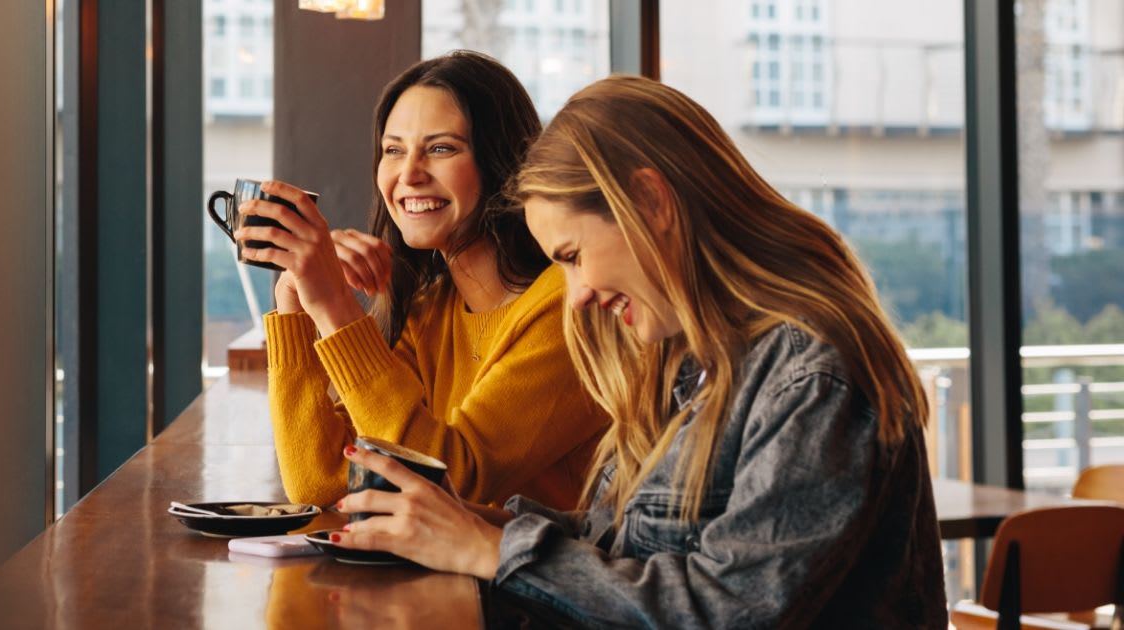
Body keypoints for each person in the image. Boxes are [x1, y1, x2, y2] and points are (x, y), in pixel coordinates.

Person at [327, 75, 948, 628]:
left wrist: (486, 548)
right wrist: (455, 525)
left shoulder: (813, 373)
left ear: (650, 202)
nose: (576, 296)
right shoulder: (688, 361)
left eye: (572, 257)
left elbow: (731, 610)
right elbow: (619, 543)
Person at [233, 51, 608, 509]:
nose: (408, 174)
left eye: (441, 148)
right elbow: (323, 481)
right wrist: (294, 298)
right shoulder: (433, 305)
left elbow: (453, 484)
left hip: (529, 577)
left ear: (501, 160)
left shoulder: (573, 306)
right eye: (393, 150)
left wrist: (335, 305)